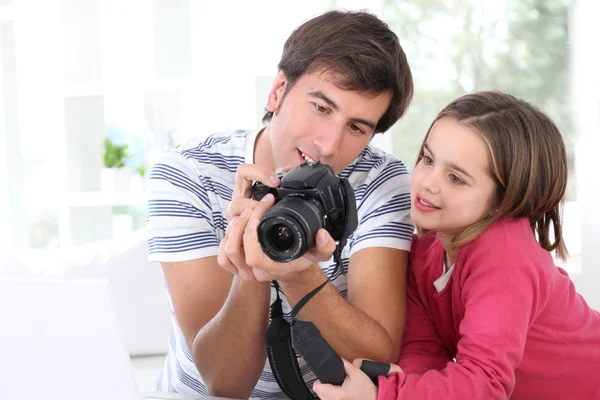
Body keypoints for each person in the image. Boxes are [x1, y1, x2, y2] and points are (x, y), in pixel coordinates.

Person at [146, 10, 415, 399]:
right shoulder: (188, 173)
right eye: (321, 108)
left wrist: (298, 272)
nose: (328, 146)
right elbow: (223, 383)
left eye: (356, 127)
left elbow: (377, 359)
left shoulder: (379, 181)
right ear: (278, 91)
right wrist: (251, 265)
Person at [313, 91, 600, 400]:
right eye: (428, 159)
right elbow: (424, 350)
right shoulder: (424, 250)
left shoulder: (505, 257)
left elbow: (485, 383)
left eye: (456, 178)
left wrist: (383, 396)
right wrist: (400, 385)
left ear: (504, 202)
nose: (428, 182)